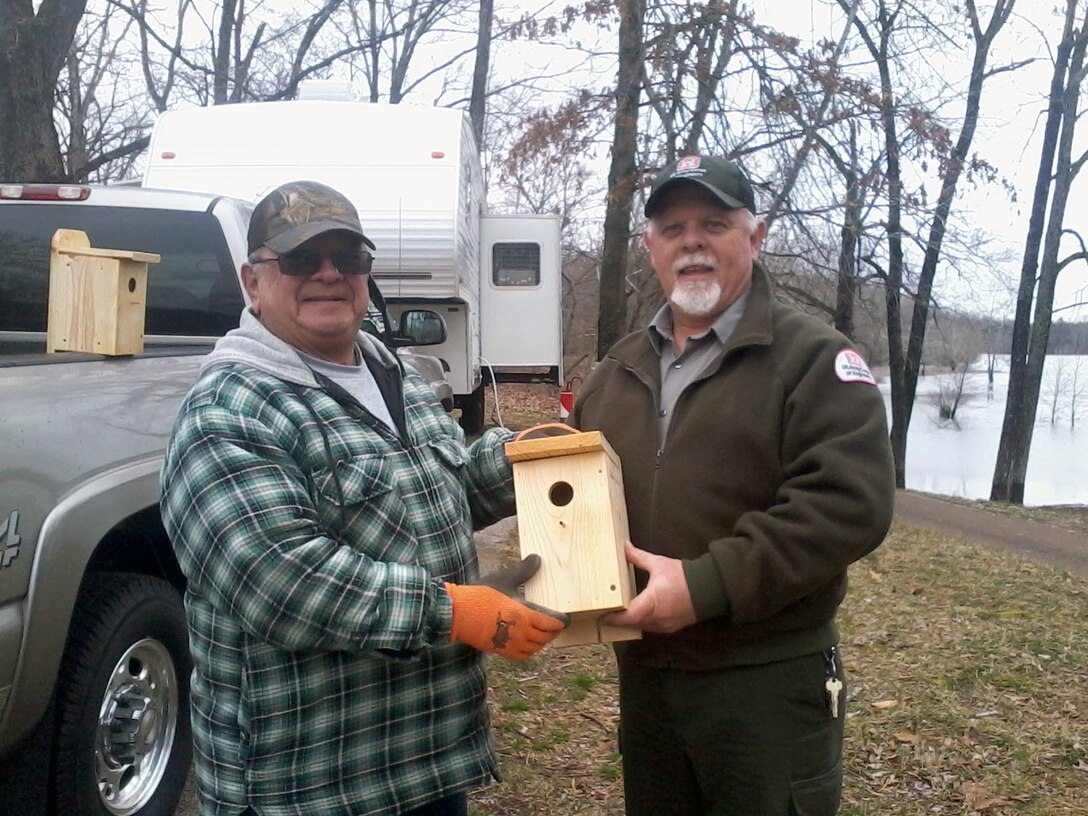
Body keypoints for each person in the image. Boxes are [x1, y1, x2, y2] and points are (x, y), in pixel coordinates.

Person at [160, 180, 568, 816]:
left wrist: (520, 457)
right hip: (305, 785)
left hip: (426, 764)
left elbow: (442, 488)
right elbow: (281, 582)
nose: (328, 275)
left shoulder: (394, 373)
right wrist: (454, 612)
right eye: (300, 260)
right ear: (253, 282)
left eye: (347, 259)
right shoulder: (230, 410)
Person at [568, 156, 896, 816]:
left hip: (765, 684)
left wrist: (704, 586)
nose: (692, 241)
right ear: (650, 248)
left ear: (755, 236)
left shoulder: (814, 360)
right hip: (649, 680)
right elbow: (574, 493)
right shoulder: (614, 373)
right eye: (673, 227)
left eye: (714, 223)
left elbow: (848, 504)